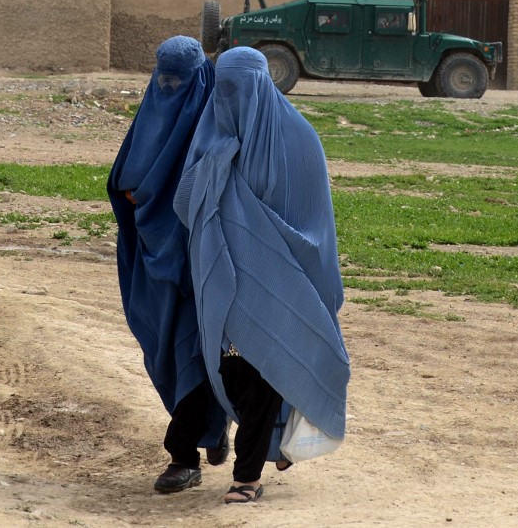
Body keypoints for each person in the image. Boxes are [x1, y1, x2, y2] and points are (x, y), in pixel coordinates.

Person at [173, 46, 350, 504]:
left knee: (268, 369)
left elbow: (315, 226)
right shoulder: (210, 138)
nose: (233, 100)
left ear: (263, 84)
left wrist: (262, 238)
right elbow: (185, 202)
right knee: (229, 370)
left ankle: (246, 477)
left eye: (242, 88)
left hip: (284, 279)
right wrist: (216, 171)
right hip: (225, 280)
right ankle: (271, 444)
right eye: (224, 89)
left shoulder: (300, 139)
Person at [108, 35, 229, 494]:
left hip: (200, 260)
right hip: (154, 260)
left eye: (179, 79)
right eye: (164, 78)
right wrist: (135, 197)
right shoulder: (153, 111)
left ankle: (183, 456)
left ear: (199, 78)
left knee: (193, 350)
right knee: (164, 350)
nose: (169, 87)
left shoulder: (216, 122)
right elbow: (124, 175)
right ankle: (214, 430)